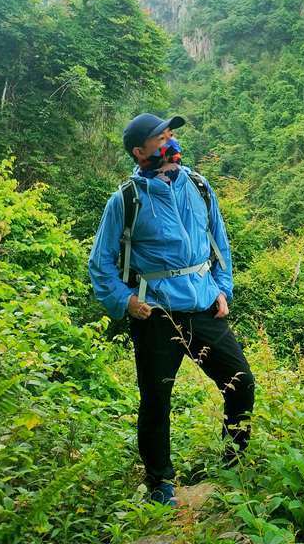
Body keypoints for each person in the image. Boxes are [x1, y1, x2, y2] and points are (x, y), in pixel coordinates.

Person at [87, 112, 255, 506]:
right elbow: (101, 263)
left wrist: (222, 288)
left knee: (241, 382)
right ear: (139, 151)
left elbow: (220, 242)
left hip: (201, 307)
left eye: (171, 133)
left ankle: (233, 464)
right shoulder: (125, 200)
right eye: (160, 136)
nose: (170, 141)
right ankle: (160, 482)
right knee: (157, 399)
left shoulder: (198, 185)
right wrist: (126, 301)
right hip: (156, 315)